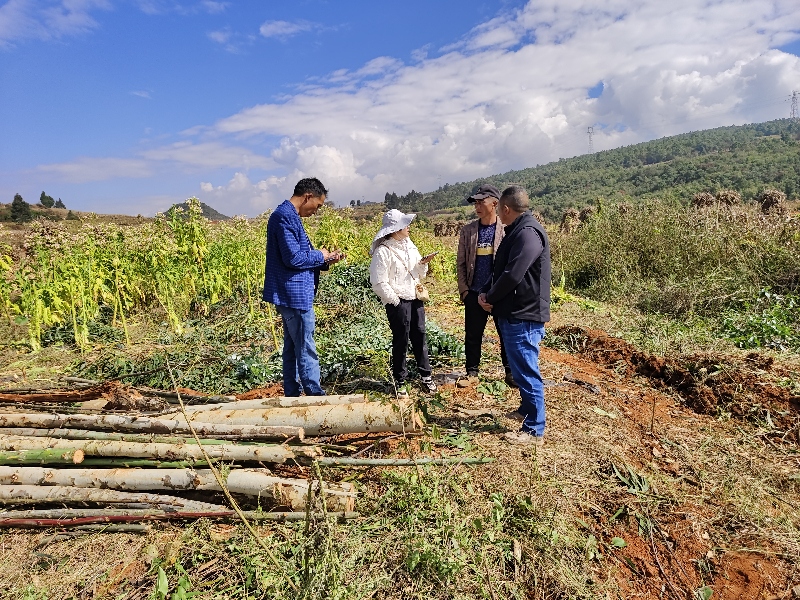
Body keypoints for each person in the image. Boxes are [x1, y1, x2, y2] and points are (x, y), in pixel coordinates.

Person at [478, 186, 551, 446]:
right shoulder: (517, 232)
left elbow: (513, 275)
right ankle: (526, 409)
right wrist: (486, 293)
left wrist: (491, 297)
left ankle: (534, 429)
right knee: (520, 368)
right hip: (513, 311)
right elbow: (501, 270)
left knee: (526, 369)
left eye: (499, 208)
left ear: (505, 209)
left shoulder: (528, 234)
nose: (498, 212)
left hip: (524, 313)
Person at [263, 177, 343, 397]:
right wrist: (320, 255)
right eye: (317, 205)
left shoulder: (288, 216)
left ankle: (292, 393)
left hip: (295, 294)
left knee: (293, 345)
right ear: (307, 196)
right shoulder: (284, 218)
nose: (316, 211)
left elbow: (296, 257)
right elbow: (293, 258)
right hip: (294, 295)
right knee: (305, 346)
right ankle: (315, 394)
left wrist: (325, 260)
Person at [369, 209, 437, 398]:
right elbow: (378, 282)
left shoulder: (410, 245)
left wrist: (423, 263)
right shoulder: (383, 251)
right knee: (401, 340)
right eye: (405, 224)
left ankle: (426, 376)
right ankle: (400, 380)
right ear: (395, 229)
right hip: (398, 301)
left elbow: (418, 272)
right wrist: (396, 301)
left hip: (415, 299)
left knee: (420, 336)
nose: (408, 227)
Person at [456, 183, 515, 387]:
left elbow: (510, 266)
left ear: (494, 203)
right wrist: (465, 291)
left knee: (505, 334)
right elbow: (461, 263)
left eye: (482, 202)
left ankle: (510, 372)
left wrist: (497, 293)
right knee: (472, 336)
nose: (477, 206)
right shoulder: (468, 231)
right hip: (474, 292)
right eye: (476, 203)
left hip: (499, 294)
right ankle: (472, 372)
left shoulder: (506, 230)